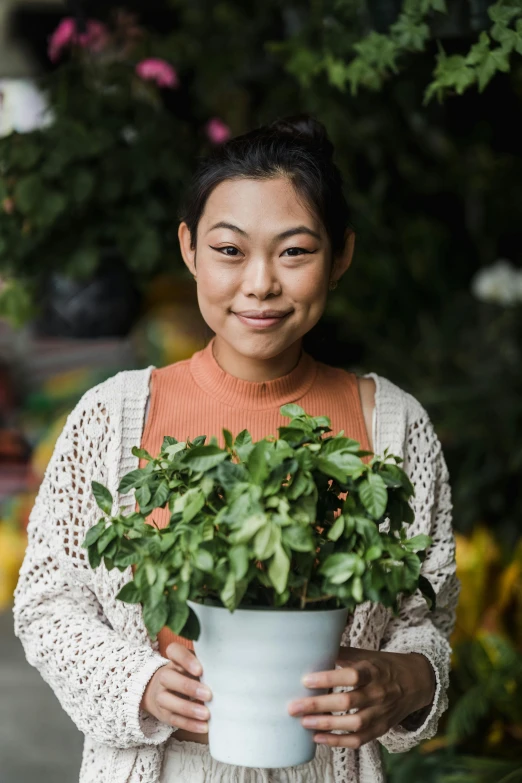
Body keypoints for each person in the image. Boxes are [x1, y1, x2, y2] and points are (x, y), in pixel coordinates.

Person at [13, 113, 459, 783]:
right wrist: (137, 682)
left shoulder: (394, 425)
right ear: (189, 248)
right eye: (230, 250)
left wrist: (408, 675)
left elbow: (427, 618)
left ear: (341, 256)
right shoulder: (112, 418)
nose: (260, 283)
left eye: (294, 251)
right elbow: (47, 600)